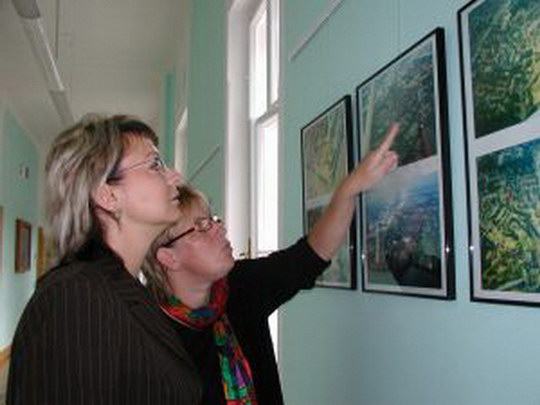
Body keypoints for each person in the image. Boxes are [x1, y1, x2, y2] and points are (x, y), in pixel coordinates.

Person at [142, 124, 400, 405]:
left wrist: (350, 188)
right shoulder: (148, 336)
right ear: (169, 257)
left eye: (213, 219)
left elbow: (311, 255)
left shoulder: (240, 287)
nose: (220, 228)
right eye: (201, 226)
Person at [7, 114, 202, 404]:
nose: (175, 177)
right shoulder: (75, 297)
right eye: (155, 164)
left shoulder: (127, 291)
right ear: (107, 195)